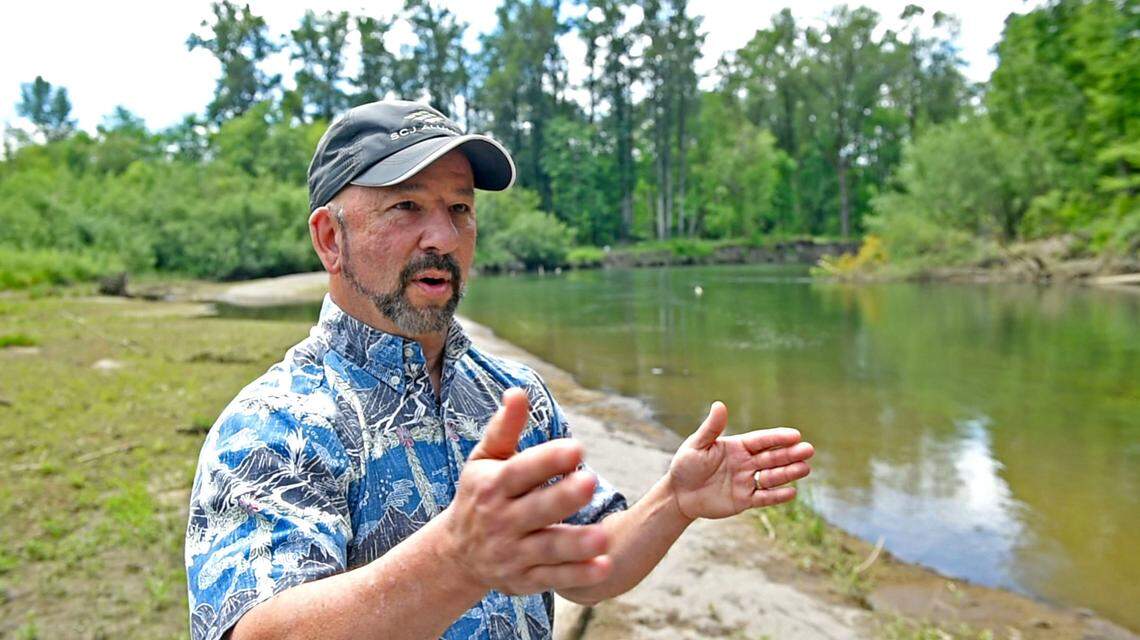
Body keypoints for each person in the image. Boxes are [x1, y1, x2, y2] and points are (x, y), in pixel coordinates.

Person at [185, 100, 815, 640]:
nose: (442, 236)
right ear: (330, 239)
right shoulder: (273, 424)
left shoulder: (513, 395)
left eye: (460, 208)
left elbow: (589, 567)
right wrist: (456, 561)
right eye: (406, 206)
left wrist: (674, 500)